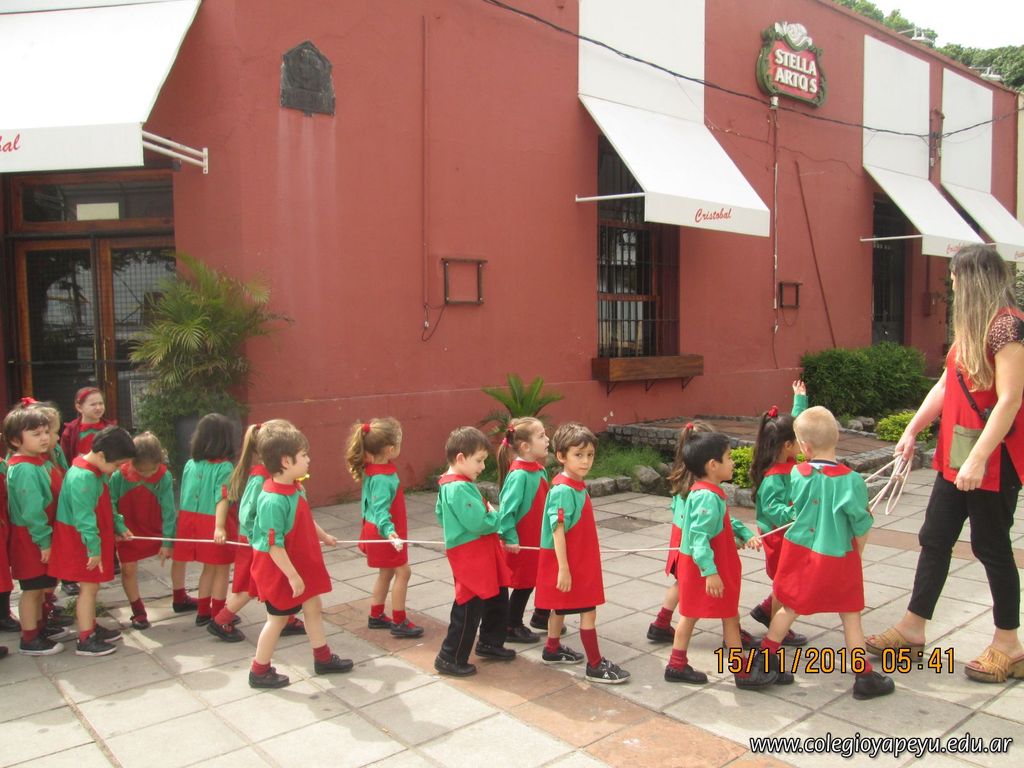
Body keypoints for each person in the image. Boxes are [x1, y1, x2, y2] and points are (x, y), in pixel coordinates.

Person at [866, 245, 1024, 684]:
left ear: (971, 280)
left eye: (954, 277)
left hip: (991, 458)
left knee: (991, 547)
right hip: (958, 455)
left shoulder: (1007, 326)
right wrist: (912, 429)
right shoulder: (973, 326)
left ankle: (1009, 644)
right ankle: (913, 627)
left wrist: (978, 458)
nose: (951, 285)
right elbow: (944, 384)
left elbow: (1010, 399)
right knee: (934, 537)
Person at [762, 406, 894, 699]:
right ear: (837, 437)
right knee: (851, 616)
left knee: (789, 607)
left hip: (799, 553)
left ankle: (765, 659)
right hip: (838, 556)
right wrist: (858, 552)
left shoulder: (798, 473)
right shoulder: (852, 480)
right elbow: (861, 524)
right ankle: (864, 677)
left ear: (805, 447)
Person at [663, 431, 774, 688]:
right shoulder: (707, 497)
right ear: (713, 465)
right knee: (711, 616)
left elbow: (723, 521)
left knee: (714, 616)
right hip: (706, 570)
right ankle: (739, 672)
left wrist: (744, 534)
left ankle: (678, 664)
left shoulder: (708, 492)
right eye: (729, 457)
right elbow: (699, 538)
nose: (733, 462)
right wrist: (710, 572)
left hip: (707, 568)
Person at [248, 425, 352, 688]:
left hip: (300, 564)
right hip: (281, 571)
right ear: (286, 461)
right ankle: (259, 670)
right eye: (304, 455)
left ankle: (323, 658)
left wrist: (323, 536)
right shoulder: (272, 500)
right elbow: (273, 545)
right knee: (277, 620)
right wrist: (292, 576)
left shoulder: (295, 488)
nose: (308, 459)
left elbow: (304, 518)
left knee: (313, 607)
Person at [536, 422, 630, 684]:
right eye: (578, 455)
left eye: (590, 454)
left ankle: (552, 648)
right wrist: (564, 569)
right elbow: (557, 529)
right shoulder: (563, 490)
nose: (586, 461)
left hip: (578, 559)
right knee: (588, 612)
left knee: (560, 607)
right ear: (561, 456)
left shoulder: (575, 485)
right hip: (571, 563)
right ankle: (595, 664)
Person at [208, 420, 305, 642]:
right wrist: (257, 537)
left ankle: (287, 619)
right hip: (255, 542)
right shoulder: (260, 476)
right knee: (250, 586)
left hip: (268, 541)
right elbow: (246, 514)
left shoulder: (276, 474)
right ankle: (220, 620)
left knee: (280, 579)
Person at [48, 426, 137, 656]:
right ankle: (85, 638)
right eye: (116, 465)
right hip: (81, 541)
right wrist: (94, 549)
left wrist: (118, 525)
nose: (116, 470)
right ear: (101, 455)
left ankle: (90, 625)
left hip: (90, 539)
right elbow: (84, 518)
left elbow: (106, 503)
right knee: (88, 588)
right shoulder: (84, 477)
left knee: (92, 586)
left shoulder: (95, 470)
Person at [433, 426, 514, 677]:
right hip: (471, 554)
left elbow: (439, 513)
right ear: (461, 458)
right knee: (469, 606)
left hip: (477, 551)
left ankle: (490, 642)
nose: (482, 466)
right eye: (479, 460)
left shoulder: (453, 483)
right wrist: (495, 517)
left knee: (495, 595)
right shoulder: (458, 487)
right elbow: (478, 522)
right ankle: (450, 656)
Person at [346, 417, 423, 638]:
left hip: (382, 530)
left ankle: (376, 615)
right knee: (404, 572)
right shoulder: (381, 477)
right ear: (390, 449)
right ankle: (399, 621)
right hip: (385, 532)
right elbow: (380, 510)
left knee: (386, 572)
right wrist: (390, 532)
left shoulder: (374, 468)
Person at [747, 381, 809, 647]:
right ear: (786, 445)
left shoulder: (788, 459)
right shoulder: (774, 477)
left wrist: (800, 399)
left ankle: (767, 611)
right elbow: (773, 510)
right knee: (785, 583)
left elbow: (795, 424)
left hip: (790, 533)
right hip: (779, 537)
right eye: (799, 441)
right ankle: (776, 625)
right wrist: (795, 513)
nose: (803, 444)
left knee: (791, 580)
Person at [3, 406, 64, 655]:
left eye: (46, 432)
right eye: (36, 434)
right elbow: (32, 510)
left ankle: (39, 627)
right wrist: (44, 541)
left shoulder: (38, 462)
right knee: (32, 589)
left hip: (42, 534)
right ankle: (29, 637)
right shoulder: (25, 469)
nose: (44, 438)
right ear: (16, 440)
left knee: (41, 586)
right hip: (31, 537)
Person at [647, 420, 712, 644]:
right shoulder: (701, 486)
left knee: (681, 582)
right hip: (692, 541)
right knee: (707, 583)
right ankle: (733, 628)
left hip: (680, 538)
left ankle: (661, 623)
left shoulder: (681, 475)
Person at [109, 432, 183, 630]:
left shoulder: (164, 476)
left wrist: (167, 541)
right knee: (128, 569)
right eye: (142, 471)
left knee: (181, 554)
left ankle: (180, 595)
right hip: (128, 530)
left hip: (154, 527)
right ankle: (138, 610)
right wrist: (119, 527)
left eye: (152, 470)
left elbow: (168, 511)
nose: (148, 475)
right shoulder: (119, 476)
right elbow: (110, 503)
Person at [174, 413, 238, 627]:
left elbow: (185, 494)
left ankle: (203, 611)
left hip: (192, 521)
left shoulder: (190, 464)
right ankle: (218, 614)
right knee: (222, 569)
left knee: (208, 569)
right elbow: (222, 497)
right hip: (215, 522)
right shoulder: (225, 467)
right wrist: (219, 527)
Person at [497, 417, 551, 643]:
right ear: (526, 446)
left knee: (542, 576)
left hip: (538, 537)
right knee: (524, 583)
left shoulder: (538, 469)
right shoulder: (519, 475)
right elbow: (506, 512)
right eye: (541, 436)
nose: (547, 439)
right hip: (523, 541)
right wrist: (510, 537)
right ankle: (511, 624)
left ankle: (542, 615)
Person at [58, 386, 114, 597]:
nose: (98, 407)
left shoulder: (109, 428)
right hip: (81, 484)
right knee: (82, 524)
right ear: (79, 407)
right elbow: (65, 458)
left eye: (101, 403)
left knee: (103, 520)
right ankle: (70, 577)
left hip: (103, 482)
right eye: (93, 404)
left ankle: (105, 559)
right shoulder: (71, 431)